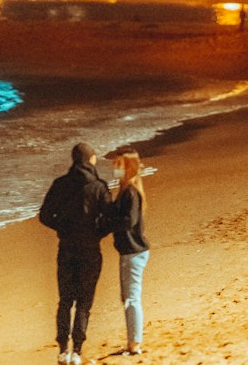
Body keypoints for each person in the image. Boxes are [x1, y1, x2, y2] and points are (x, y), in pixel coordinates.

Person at [39, 141, 111, 365]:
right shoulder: (99, 186)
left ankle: (62, 350)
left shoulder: (60, 184)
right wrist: (97, 232)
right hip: (90, 248)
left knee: (65, 300)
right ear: (90, 159)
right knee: (84, 301)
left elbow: (44, 216)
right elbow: (109, 219)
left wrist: (61, 227)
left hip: (67, 248)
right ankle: (77, 351)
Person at [111, 150, 149, 356]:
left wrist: (108, 223)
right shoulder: (127, 190)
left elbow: (129, 221)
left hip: (133, 251)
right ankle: (132, 341)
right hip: (131, 251)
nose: (115, 169)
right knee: (127, 296)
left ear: (127, 168)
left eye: (118, 165)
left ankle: (134, 343)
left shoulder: (131, 192)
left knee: (131, 298)